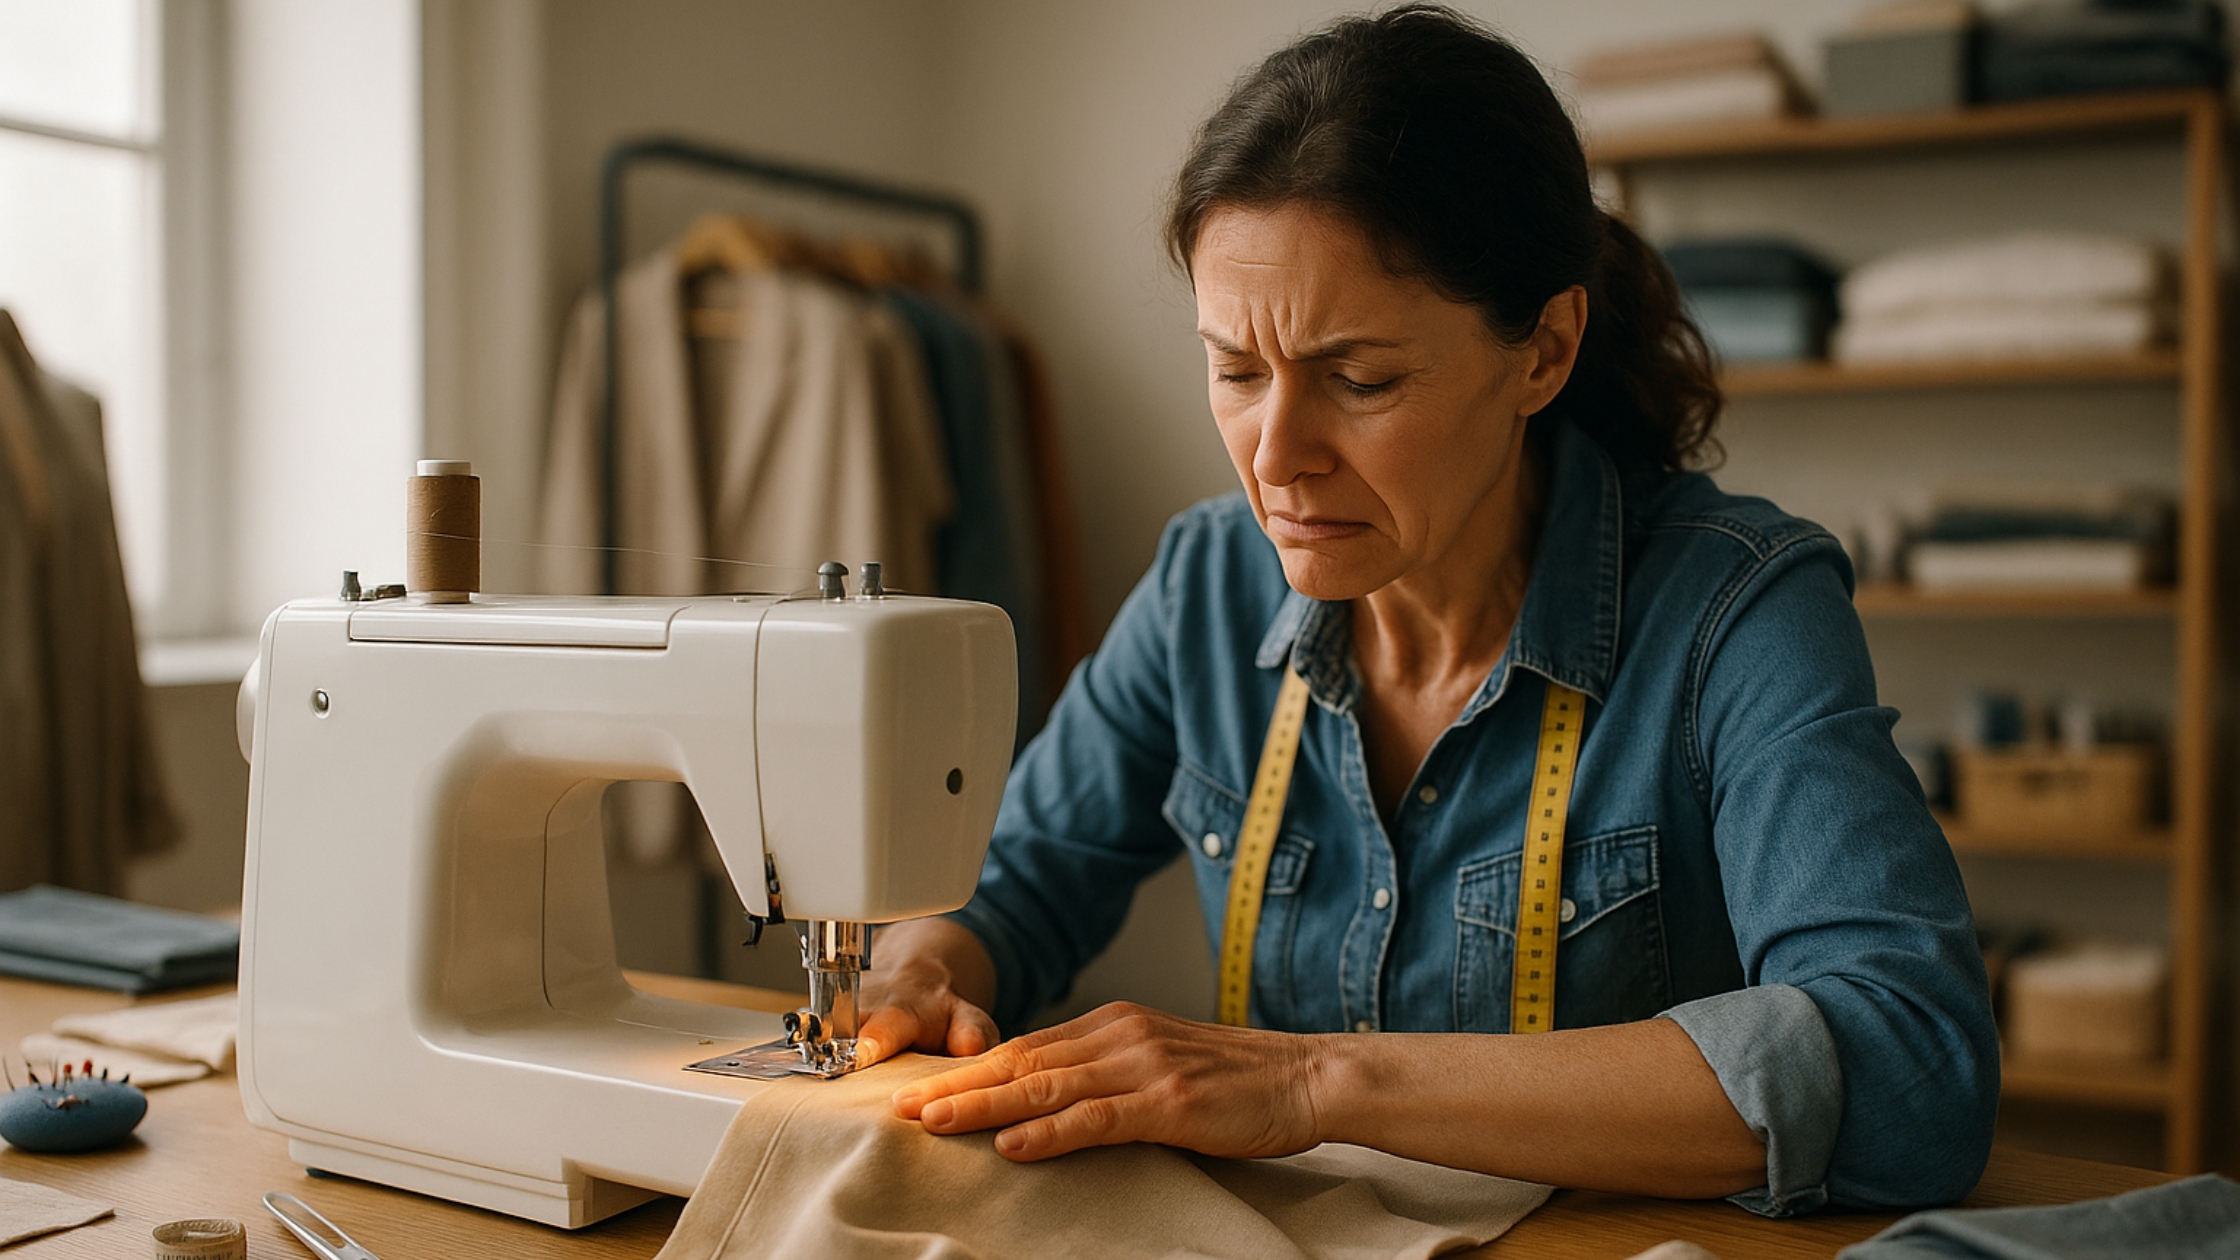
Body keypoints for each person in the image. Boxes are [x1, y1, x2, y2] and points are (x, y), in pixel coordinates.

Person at [854, 4, 1997, 1216]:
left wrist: (1312, 1084)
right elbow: (1016, 880)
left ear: (1544, 350)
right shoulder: (1205, 584)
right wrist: (925, 964)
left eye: (1359, 379)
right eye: (1234, 371)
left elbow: (1906, 1068)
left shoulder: (1733, 609)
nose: (1274, 457)